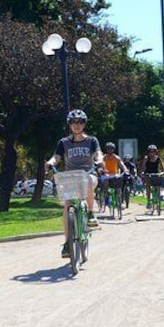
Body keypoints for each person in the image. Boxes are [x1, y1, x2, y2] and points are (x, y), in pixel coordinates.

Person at [46, 109, 103, 258]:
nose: (76, 125)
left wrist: (99, 161)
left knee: (89, 179)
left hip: (88, 174)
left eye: (80, 122)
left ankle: (90, 213)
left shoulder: (91, 140)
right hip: (70, 178)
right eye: (73, 122)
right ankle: (67, 243)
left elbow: (98, 153)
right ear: (69, 125)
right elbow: (56, 157)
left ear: (84, 124)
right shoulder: (63, 142)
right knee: (67, 207)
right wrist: (50, 163)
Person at [100, 142, 128, 212]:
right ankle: (106, 199)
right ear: (106, 149)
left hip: (114, 174)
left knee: (118, 186)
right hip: (106, 174)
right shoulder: (103, 158)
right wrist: (100, 169)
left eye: (111, 149)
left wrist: (125, 170)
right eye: (108, 149)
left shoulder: (116, 158)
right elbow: (100, 165)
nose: (110, 150)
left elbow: (122, 165)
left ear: (113, 149)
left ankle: (120, 201)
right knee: (105, 182)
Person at [139, 144, 164, 209]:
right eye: (150, 152)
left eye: (153, 151)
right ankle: (149, 201)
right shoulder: (146, 158)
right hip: (148, 174)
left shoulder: (158, 158)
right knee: (148, 186)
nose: (152, 153)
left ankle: (159, 194)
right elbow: (143, 167)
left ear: (156, 152)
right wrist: (142, 173)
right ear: (148, 152)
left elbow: (163, 166)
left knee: (159, 183)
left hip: (156, 173)